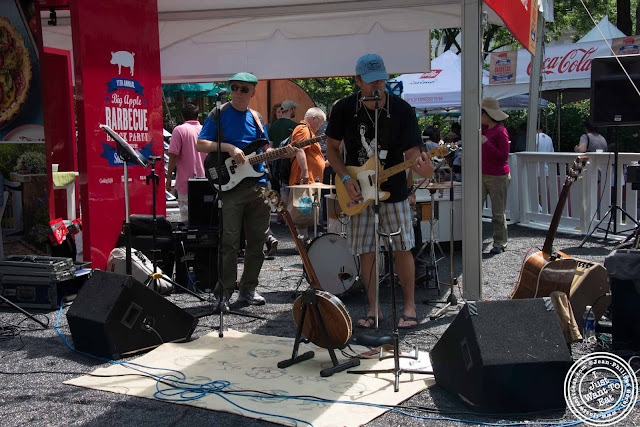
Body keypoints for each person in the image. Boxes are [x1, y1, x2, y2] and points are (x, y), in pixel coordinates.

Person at [325, 53, 434, 330]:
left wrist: (424, 167)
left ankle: (408, 306)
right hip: (357, 191)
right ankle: (374, 309)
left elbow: (413, 154)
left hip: (394, 191)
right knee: (367, 251)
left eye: (382, 81)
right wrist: (345, 178)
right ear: (358, 80)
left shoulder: (402, 110)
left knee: (402, 247)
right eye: (371, 81)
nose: (378, 87)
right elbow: (332, 149)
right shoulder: (344, 109)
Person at [197, 72, 294, 311]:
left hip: (258, 186)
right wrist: (230, 148)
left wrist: (281, 152)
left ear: (253, 92)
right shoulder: (218, 113)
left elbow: (264, 148)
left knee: (258, 241)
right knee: (229, 241)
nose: (238, 92)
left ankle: (248, 289)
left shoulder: (257, 117)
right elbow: (201, 143)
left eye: (243, 89)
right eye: (234, 88)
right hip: (231, 188)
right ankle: (225, 293)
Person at [165, 103, 205, 223]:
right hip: (205, 182)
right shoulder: (205, 130)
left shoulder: (179, 130)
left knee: (187, 221)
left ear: (183, 116)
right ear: (197, 116)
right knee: (203, 217)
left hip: (186, 183)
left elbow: (173, 157)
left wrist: (168, 179)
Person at [481, 97, 511, 255]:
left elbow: (503, 156)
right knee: (474, 209)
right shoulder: (483, 128)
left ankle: (500, 242)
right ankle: (475, 240)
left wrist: (487, 143)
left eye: (481, 114)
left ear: (487, 114)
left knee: (498, 212)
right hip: (482, 174)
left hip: (498, 176)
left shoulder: (500, 131)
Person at [289, 107, 327, 185]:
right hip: (303, 180)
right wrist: (305, 172)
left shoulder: (309, 132)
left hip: (310, 180)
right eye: (320, 123)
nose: (320, 127)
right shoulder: (303, 129)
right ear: (313, 118)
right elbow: (299, 150)